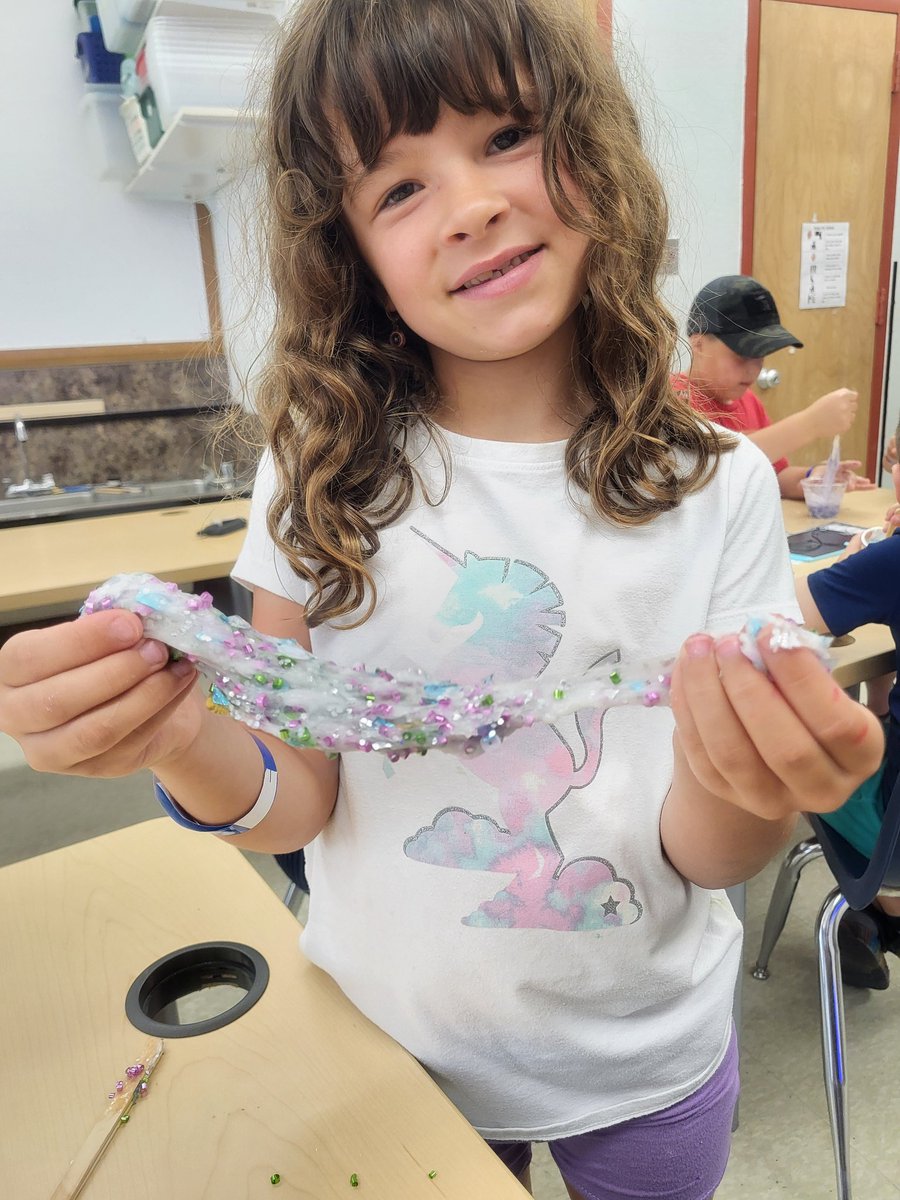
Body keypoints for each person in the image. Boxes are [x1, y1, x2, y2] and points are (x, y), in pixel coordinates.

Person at [0, 3, 883, 1198]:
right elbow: (295, 798)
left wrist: (750, 784)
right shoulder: (314, 471)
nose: (468, 203)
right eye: (398, 188)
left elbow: (705, 852)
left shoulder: (713, 485)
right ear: (347, 250)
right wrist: (176, 735)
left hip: (647, 1062)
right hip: (386, 1048)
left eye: (509, 134)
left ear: (595, 150)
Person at [796, 465, 900, 990]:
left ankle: (885, 908)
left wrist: (855, 560)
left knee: (797, 748)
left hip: (895, 828)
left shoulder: (891, 560)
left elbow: (785, 613)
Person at [675, 275, 873, 499]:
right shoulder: (675, 400)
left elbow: (775, 474)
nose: (753, 370)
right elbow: (716, 471)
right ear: (698, 344)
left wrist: (814, 477)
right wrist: (811, 424)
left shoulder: (749, 402)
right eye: (741, 355)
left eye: (761, 355)